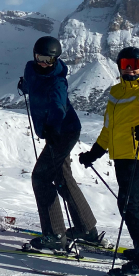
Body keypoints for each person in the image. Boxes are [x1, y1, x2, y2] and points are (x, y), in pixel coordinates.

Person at [79, 46, 139, 276]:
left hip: (138, 151)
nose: (129, 69)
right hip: (120, 154)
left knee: (128, 202)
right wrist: (95, 152)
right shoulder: (116, 91)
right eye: (125, 64)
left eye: (134, 64)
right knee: (135, 200)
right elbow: (108, 128)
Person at [21, 36, 100, 252]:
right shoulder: (32, 70)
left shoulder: (58, 82)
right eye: (40, 58)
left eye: (49, 59)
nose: (44, 63)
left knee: (41, 177)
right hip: (57, 131)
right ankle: (87, 229)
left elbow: (58, 106)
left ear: (56, 59)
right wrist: (25, 86)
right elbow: (34, 84)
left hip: (63, 131)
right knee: (62, 177)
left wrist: (53, 126)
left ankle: (55, 235)